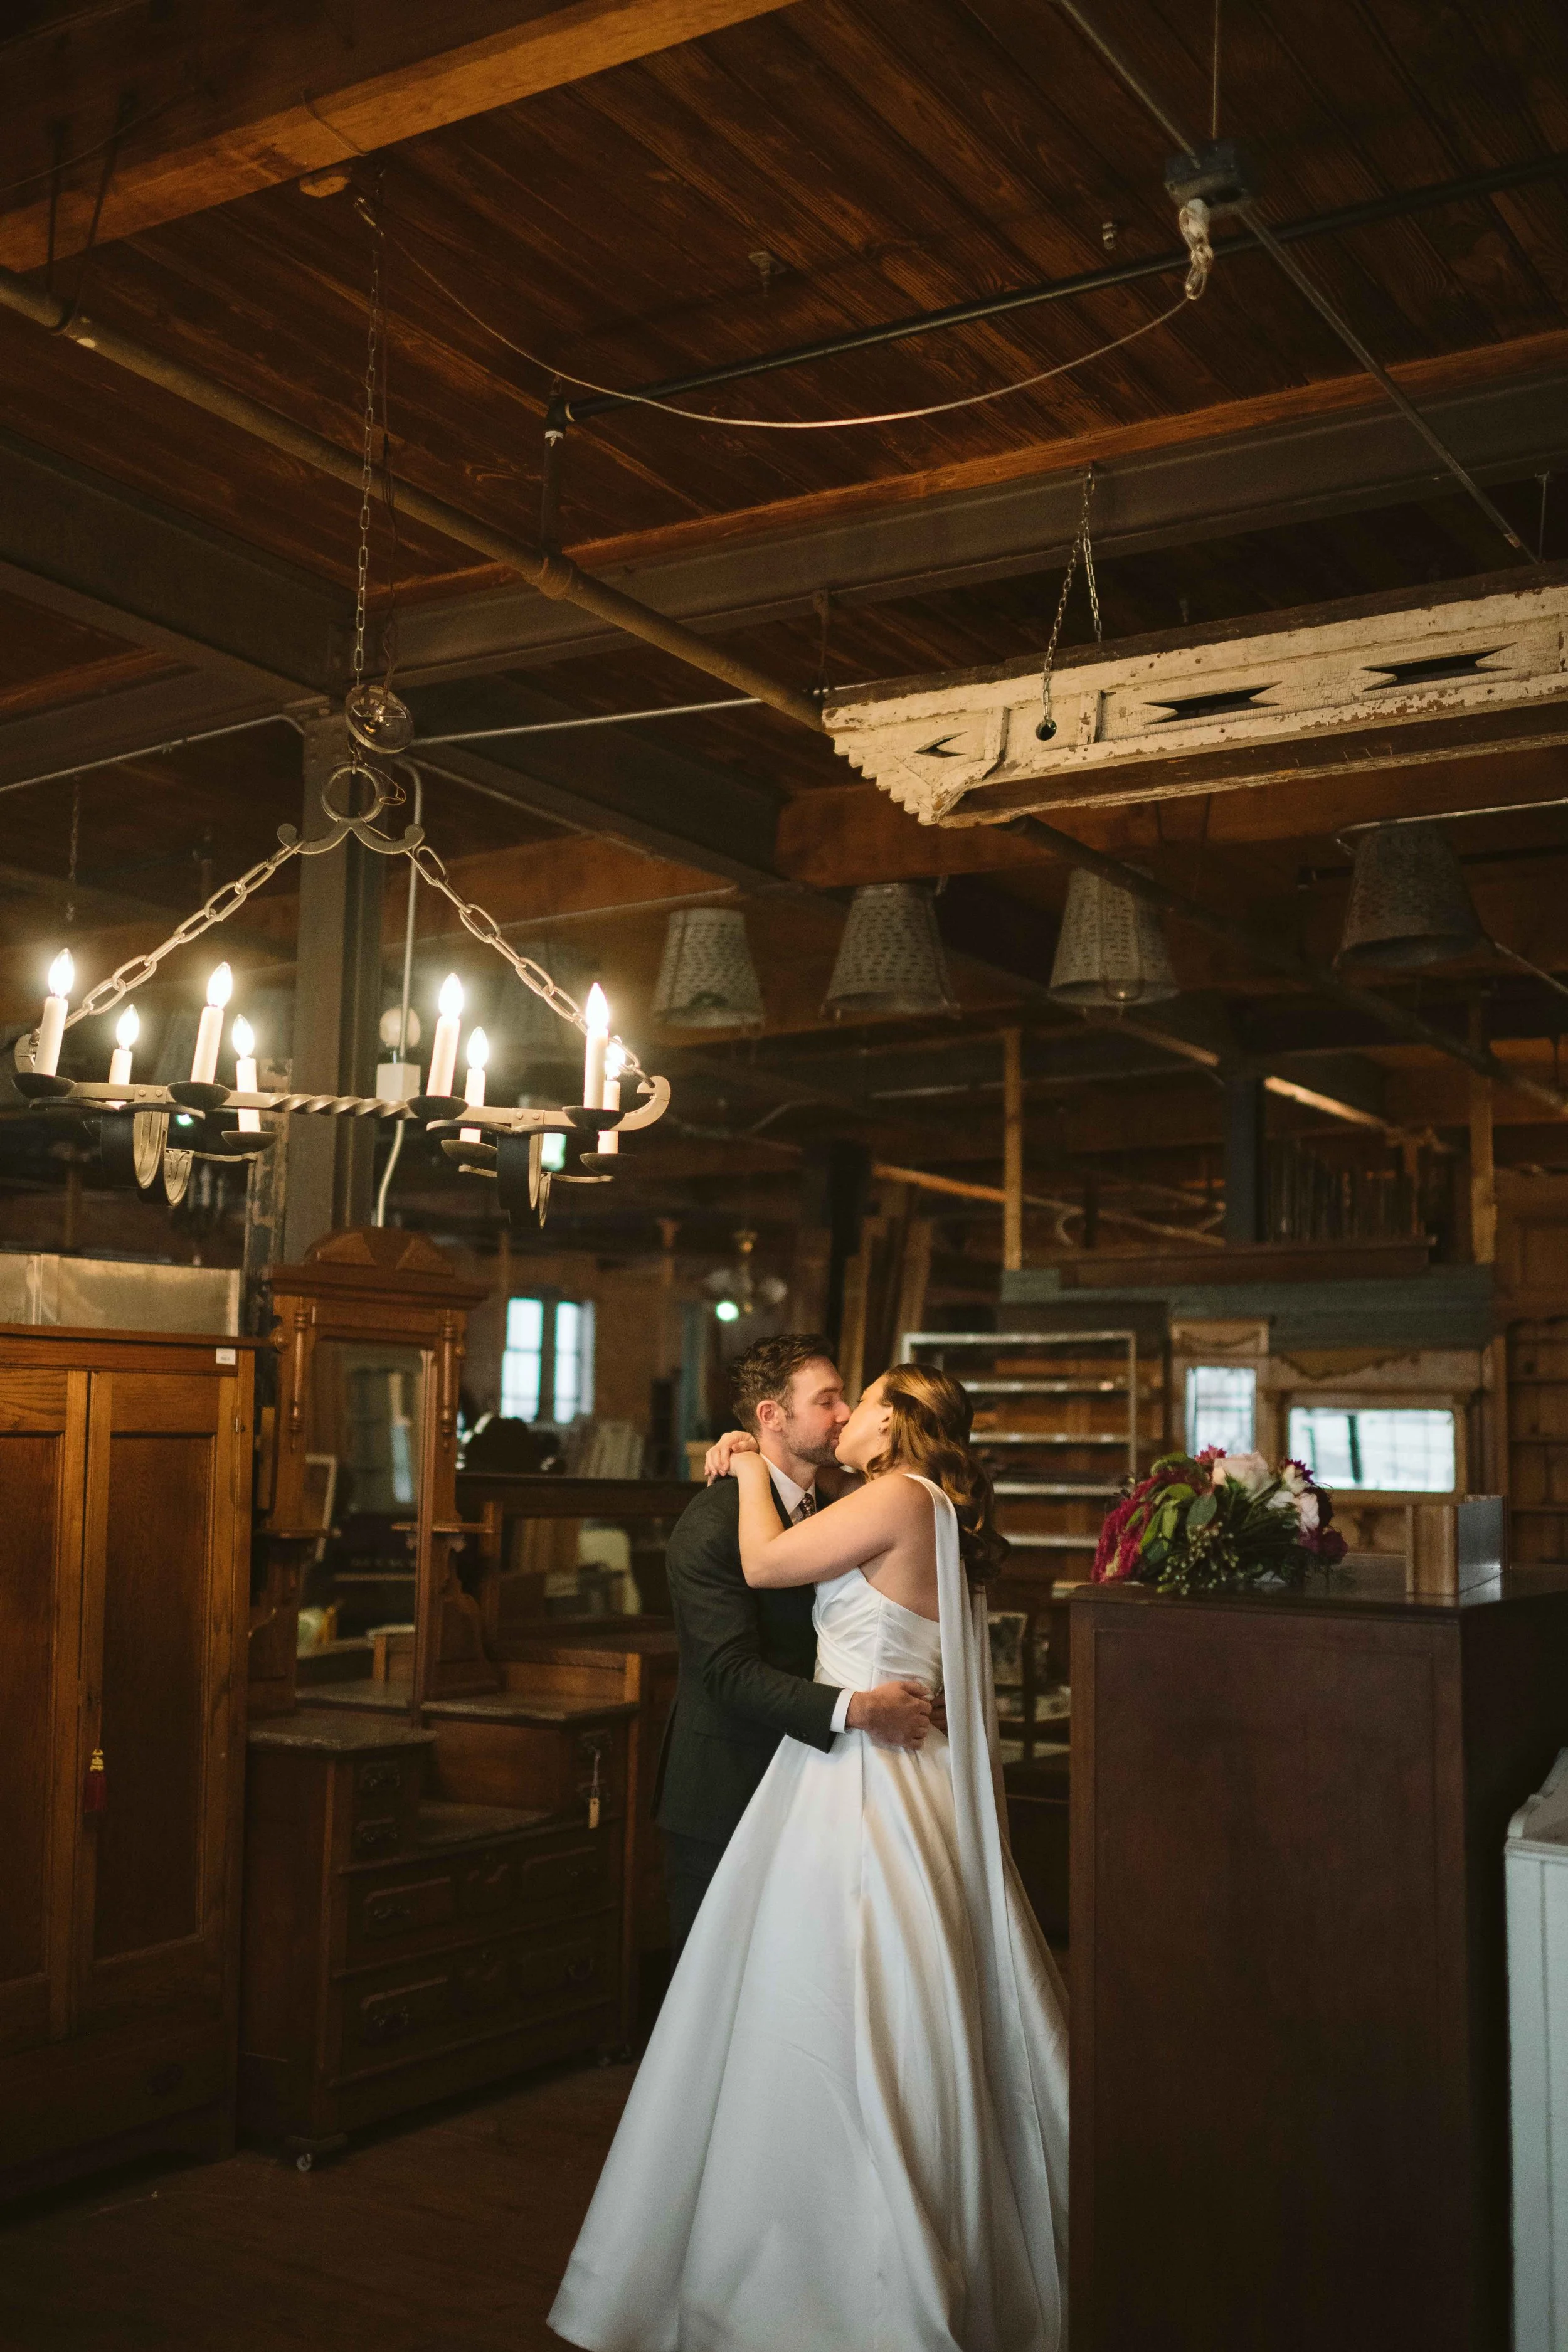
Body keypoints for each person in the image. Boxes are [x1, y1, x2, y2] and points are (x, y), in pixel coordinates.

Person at [551, 1363, 1069, 2352]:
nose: (844, 1415)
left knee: (843, 1996)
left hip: (863, 1779)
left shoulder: (893, 1498)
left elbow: (767, 1566)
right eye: (830, 1397)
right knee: (859, 1994)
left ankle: (840, 2252)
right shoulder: (914, 1504)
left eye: (860, 1398)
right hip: (861, 1763)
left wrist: (744, 1466)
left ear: (895, 1420)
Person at [652, 1333, 935, 1959]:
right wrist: (856, 1709)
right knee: (712, 1991)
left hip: (815, 1785)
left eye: (846, 1400)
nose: (843, 1416)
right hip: (729, 1787)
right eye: (828, 1400)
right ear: (770, 1417)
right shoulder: (711, 1526)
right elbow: (726, 1672)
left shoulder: (835, 1506)